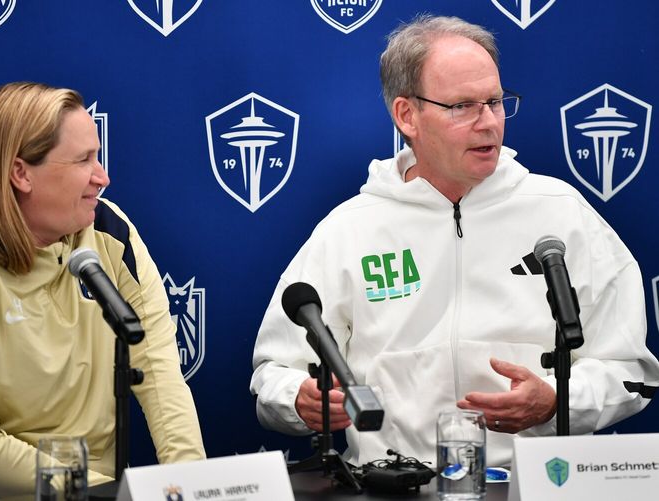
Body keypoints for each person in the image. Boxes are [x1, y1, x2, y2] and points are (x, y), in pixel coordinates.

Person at [250, 15, 659, 467]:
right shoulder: (349, 229)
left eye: (495, 102)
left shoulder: (561, 213)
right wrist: (300, 401)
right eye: (463, 106)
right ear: (408, 115)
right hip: (392, 487)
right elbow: (273, 375)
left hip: (535, 485)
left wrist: (560, 398)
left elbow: (631, 372)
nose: (489, 123)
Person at [0, 82, 205, 499]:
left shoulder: (111, 233)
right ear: (20, 173)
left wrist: (191, 486)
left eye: (98, 156)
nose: (103, 177)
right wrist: (113, 495)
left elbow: (158, 372)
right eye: (84, 160)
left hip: (79, 493)